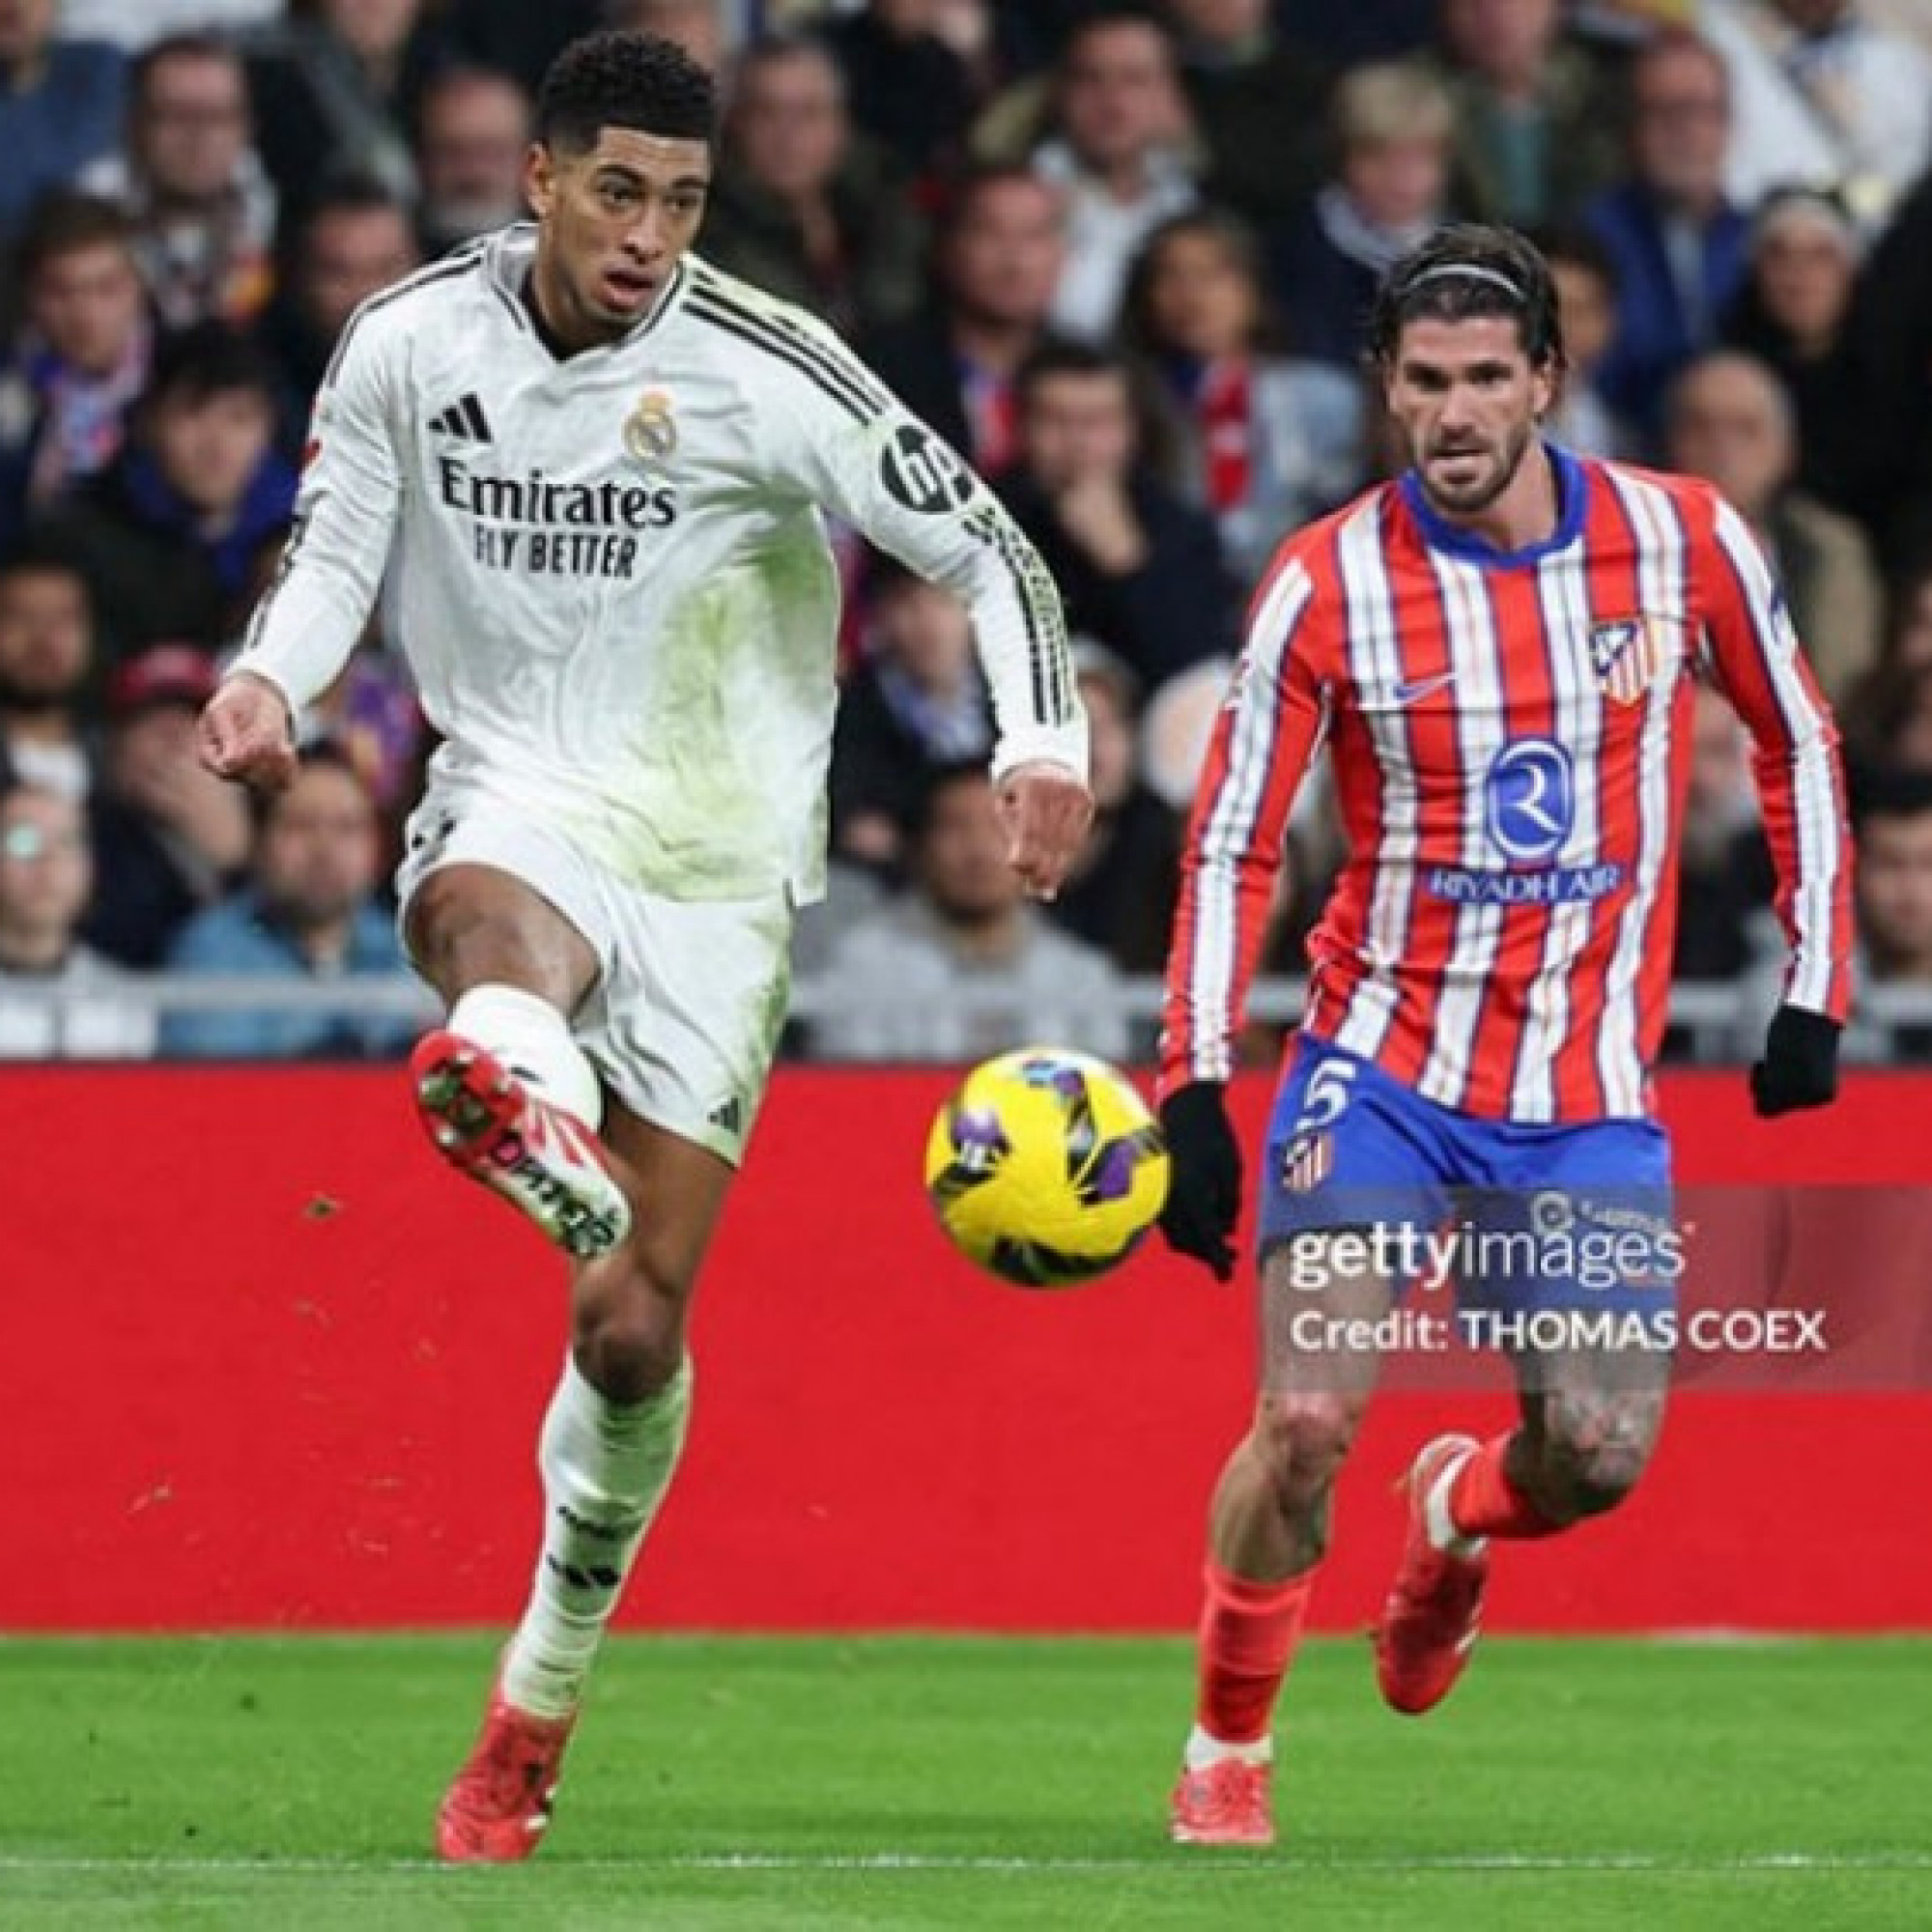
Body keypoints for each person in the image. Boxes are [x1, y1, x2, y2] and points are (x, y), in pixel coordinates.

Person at [194, 28, 1089, 1865]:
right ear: (537, 177)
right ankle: (508, 1071)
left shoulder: (772, 368)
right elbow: (332, 541)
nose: (648, 234)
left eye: (681, 201)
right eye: (619, 191)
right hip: (517, 782)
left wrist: (1044, 744)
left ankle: (535, 1699)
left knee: (628, 1334)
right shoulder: (407, 341)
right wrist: (265, 681)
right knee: (482, 920)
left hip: (722, 868)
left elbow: (993, 553)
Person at [1153, 222, 1851, 1848]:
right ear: (1386, 391)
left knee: (1597, 1453)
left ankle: (1456, 1517)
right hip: (1378, 1061)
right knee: (1307, 1413)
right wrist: (1193, 1082)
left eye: (1485, 379)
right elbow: (1233, 839)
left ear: (1547, 378)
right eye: (1423, 383)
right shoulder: (1327, 579)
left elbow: (1795, 737)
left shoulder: (1681, 542)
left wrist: (1818, 978)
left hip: (1583, 1092)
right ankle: (1227, 1748)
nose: (1454, 414)